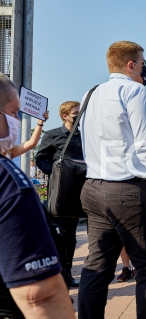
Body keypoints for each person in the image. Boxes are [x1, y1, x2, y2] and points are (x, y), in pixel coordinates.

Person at [77, 41, 146, 319]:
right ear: (131, 65)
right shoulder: (135, 91)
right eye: (143, 63)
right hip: (129, 190)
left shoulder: (90, 93)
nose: (145, 68)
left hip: (94, 188)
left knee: (97, 266)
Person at [0, 72, 75, 318]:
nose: (16, 120)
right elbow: (41, 295)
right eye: (13, 113)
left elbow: (29, 144)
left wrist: (40, 123)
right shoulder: (10, 182)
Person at [35, 101, 83, 289]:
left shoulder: (86, 136)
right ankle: (64, 274)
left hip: (83, 190)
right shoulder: (52, 135)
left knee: (72, 236)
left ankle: (68, 272)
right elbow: (40, 158)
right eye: (75, 114)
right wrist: (56, 174)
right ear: (65, 116)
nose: (78, 117)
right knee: (63, 234)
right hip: (61, 192)